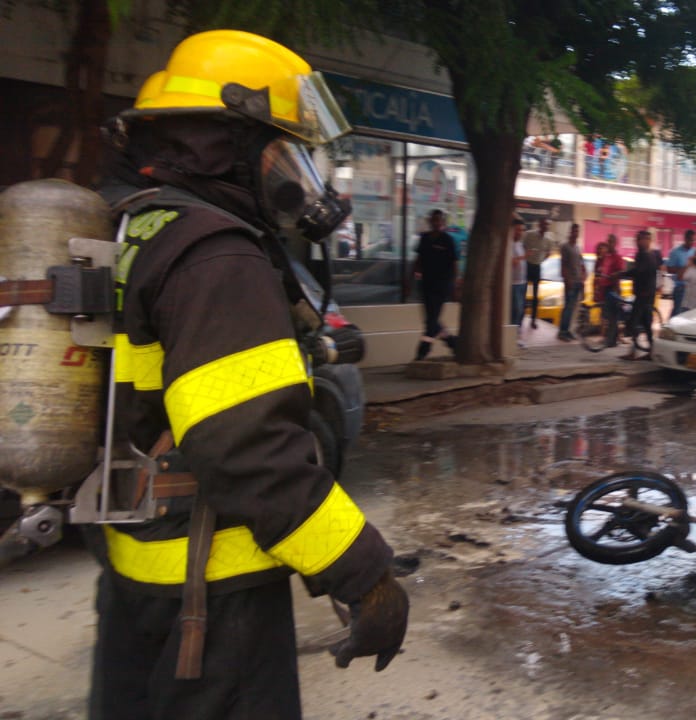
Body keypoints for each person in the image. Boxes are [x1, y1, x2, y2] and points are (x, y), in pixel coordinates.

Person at [91, 30, 407, 719]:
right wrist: (366, 574)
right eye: (286, 149)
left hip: (135, 580)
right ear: (230, 144)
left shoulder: (138, 228)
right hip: (212, 602)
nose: (298, 173)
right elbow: (250, 448)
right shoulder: (216, 256)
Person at [414, 209, 459, 360]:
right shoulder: (425, 238)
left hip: (441, 285)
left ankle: (422, 352)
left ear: (443, 223)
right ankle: (452, 342)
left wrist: (454, 284)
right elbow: (418, 259)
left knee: (431, 321)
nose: (436, 223)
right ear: (430, 221)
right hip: (426, 284)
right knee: (430, 320)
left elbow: (454, 263)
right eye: (433, 220)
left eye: (439, 220)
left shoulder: (447, 240)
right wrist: (410, 278)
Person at [617, 230, 662, 360]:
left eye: (642, 239)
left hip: (644, 294)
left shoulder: (646, 255)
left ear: (648, 240)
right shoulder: (647, 254)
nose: (639, 242)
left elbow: (639, 272)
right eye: (638, 239)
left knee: (633, 322)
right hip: (646, 294)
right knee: (646, 324)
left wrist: (622, 274)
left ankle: (634, 352)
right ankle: (651, 352)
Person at [521, 217, 555, 329]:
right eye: (544, 224)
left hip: (537, 267)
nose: (545, 227)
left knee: (536, 295)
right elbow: (522, 246)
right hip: (527, 265)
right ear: (539, 225)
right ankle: (520, 320)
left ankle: (533, 320)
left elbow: (549, 252)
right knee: (523, 293)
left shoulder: (548, 239)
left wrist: (541, 260)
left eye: (547, 225)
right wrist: (526, 255)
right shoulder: (529, 234)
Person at [557, 223, 586, 341]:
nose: (576, 233)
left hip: (578, 281)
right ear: (570, 232)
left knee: (573, 308)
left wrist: (583, 276)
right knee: (567, 307)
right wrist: (567, 280)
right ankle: (562, 332)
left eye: (577, 231)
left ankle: (568, 330)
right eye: (574, 231)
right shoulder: (565, 246)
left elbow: (580, 263)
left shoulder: (577, 247)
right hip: (570, 282)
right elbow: (563, 265)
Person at [594, 240, 626, 348]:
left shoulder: (617, 257)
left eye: (610, 243)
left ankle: (613, 339)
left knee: (613, 315)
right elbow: (599, 275)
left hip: (613, 289)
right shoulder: (606, 258)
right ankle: (610, 338)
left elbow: (619, 273)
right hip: (605, 289)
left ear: (614, 244)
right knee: (608, 315)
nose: (608, 245)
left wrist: (615, 286)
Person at [665, 229, 696, 317]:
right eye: (691, 240)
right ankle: (670, 328)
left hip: (692, 288)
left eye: (694, 240)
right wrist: (683, 268)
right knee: (677, 311)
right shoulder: (675, 252)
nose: (692, 242)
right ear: (685, 239)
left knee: (689, 313)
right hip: (680, 287)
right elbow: (669, 269)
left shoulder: (695, 252)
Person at [510, 219, 528, 346]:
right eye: (517, 229)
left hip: (522, 282)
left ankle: (517, 335)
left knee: (521, 311)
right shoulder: (509, 245)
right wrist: (523, 257)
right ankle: (512, 337)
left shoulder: (520, 245)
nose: (520, 232)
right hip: (513, 283)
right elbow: (511, 262)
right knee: (516, 310)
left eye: (522, 230)